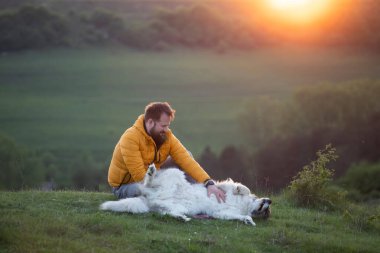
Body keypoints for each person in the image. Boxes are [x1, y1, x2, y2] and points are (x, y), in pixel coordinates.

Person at [107, 102, 226, 203]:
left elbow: (186, 160)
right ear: (150, 122)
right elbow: (141, 178)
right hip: (128, 185)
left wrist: (209, 183)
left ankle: (198, 194)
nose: (166, 130)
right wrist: (169, 183)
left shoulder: (166, 136)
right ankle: (183, 198)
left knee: (187, 155)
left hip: (153, 174)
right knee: (149, 191)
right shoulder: (130, 137)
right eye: (163, 126)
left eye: (168, 126)